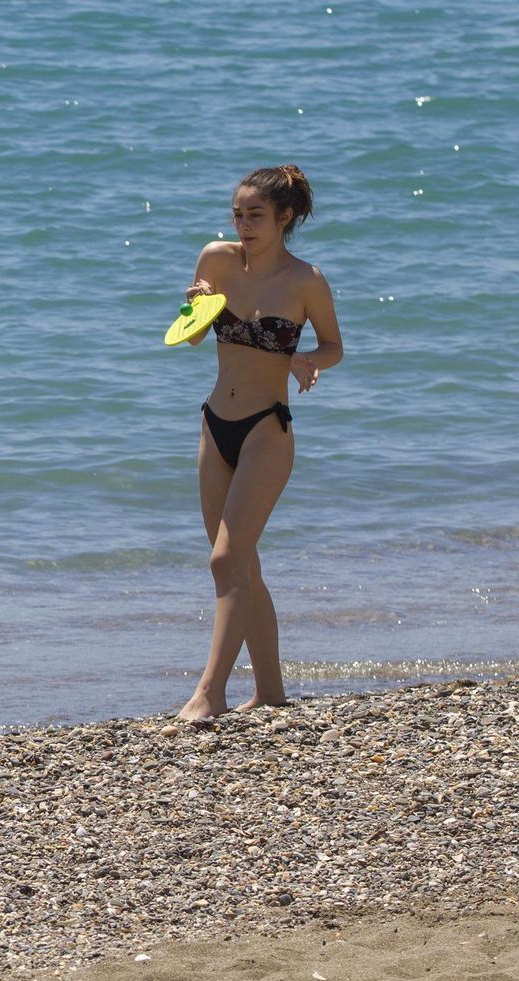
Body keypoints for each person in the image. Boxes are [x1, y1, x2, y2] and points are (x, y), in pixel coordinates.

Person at [175, 165, 343, 723]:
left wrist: (307, 361)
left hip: (267, 429)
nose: (243, 224)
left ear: (285, 217)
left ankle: (210, 691)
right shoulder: (216, 260)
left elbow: (334, 347)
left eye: (256, 215)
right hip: (214, 422)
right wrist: (196, 304)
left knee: (226, 559)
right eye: (238, 214)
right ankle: (270, 691)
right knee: (242, 566)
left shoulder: (305, 281)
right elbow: (194, 337)